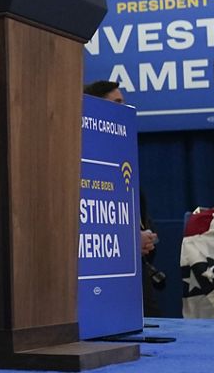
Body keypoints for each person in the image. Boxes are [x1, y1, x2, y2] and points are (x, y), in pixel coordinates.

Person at [84, 79, 162, 315]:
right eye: (117, 103)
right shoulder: (82, 158)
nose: (125, 110)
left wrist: (147, 240)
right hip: (98, 291)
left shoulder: (123, 160)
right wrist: (129, 243)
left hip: (136, 285)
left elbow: (142, 223)